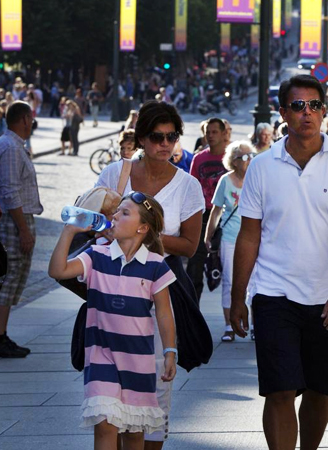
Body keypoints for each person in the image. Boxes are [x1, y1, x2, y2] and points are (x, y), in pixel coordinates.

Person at [229, 75, 328, 450]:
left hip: (327, 297)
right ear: (284, 113)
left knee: (320, 391)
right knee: (279, 390)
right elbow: (249, 235)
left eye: (315, 105)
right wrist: (240, 296)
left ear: (324, 110)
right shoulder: (261, 166)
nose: (308, 113)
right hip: (274, 293)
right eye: (299, 106)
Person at [95, 100, 205, 448]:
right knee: (107, 391)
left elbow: (189, 245)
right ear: (141, 138)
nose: (165, 144)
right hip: (112, 290)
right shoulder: (116, 174)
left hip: (160, 291)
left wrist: (142, 233)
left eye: (172, 136)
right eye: (157, 136)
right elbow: (93, 225)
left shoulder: (187, 186)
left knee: (155, 387)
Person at [48, 192, 178, 450]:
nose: (115, 215)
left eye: (124, 212)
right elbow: (57, 271)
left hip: (138, 362)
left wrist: (170, 351)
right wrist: (68, 232)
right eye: (117, 210)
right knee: (105, 424)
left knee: (132, 433)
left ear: (143, 227)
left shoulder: (156, 265)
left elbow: (164, 313)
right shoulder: (96, 256)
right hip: (101, 356)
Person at [204, 141, 253, 342]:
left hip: (253, 239)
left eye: (251, 156)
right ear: (234, 161)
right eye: (244, 157)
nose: (249, 160)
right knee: (230, 282)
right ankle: (228, 326)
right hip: (230, 239)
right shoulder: (225, 180)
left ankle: (254, 327)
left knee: (255, 284)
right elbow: (216, 210)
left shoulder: (256, 179)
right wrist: (208, 235)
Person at [0, 101, 38, 358]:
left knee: (13, 280)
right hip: (15, 222)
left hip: (19, 219)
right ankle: (0, 337)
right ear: (24, 119)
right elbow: (10, 190)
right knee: (9, 278)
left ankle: (3, 334)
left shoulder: (14, 145)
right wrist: (24, 230)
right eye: (31, 118)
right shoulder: (11, 147)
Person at [187, 118, 228, 301]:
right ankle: (192, 311)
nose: (210, 136)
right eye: (207, 132)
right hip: (203, 216)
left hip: (227, 217)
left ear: (223, 133)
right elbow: (192, 188)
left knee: (230, 268)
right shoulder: (199, 158)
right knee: (194, 268)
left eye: (214, 132)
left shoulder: (232, 157)